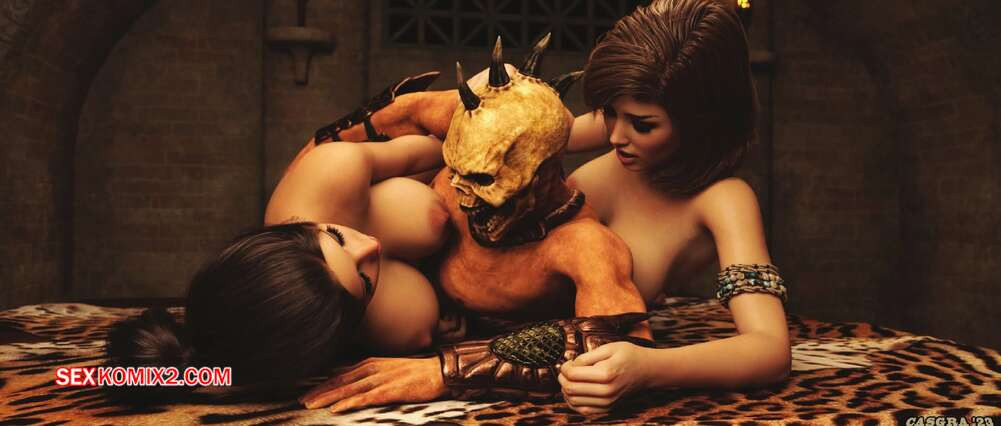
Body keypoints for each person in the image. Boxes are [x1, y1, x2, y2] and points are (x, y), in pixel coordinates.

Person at [309, 0, 791, 415]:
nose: (615, 135)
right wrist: (337, 141)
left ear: (703, 121)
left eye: (643, 125)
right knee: (373, 194)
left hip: (500, 337)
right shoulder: (617, 131)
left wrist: (649, 367)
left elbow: (769, 350)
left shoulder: (723, 201)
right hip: (431, 273)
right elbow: (495, 132)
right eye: (609, 113)